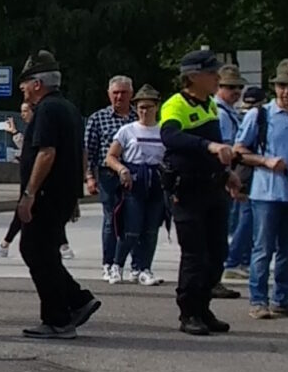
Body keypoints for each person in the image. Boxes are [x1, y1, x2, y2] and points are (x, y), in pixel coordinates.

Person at [160, 49, 252, 335]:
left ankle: (203, 307)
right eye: (212, 73)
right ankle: (189, 313)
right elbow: (170, 136)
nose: (217, 78)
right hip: (187, 191)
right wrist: (208, 147)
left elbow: (217, 149)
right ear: (193, 77)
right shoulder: (175, 105)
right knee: (195, 254)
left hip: (214, 188)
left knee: (217, 252)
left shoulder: (210, 105)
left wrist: (228, 174)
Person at [11, 50, 98, 339]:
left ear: (37, 83)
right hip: (60, 194)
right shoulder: (68, 108)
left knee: (36, 251)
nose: (21, 88)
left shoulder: (47, 110)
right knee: (45, 253)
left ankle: (59, 318)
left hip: (46, 195)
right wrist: (74, 195)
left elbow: (47, 153)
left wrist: (29, 194)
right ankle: (76, 300)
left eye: (25, 83)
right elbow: (78, 154)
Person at [239, 60, 288, 318]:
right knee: (263, 249)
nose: (287, 92)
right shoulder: (259, 115)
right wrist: (265, 161)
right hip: (266, 194)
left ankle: (283, 298)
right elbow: (239, 151)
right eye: (282, 85)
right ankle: (258, 300)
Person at [102, 86, 170, 289]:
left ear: (156, 107)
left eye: (148, 107)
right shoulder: (127, 130)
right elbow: (110, 157)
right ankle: (117, 265)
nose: (144, 111)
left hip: (155, 183)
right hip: (133, 182)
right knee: (131, 228)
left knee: (150, 230)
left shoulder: (163, 131)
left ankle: (144, 268)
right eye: (140, 107)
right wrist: (122, 170)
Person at [83, 76, 137, 283]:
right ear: (109, 94)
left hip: (134, 174)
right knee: (110, 220)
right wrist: (89, 177)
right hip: (107, 175)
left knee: (134, 221)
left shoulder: (137, 117)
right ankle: (108, 263)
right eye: (115, 93)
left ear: (130, 94)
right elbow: (90, 150)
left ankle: (134, 265)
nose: (119, 97)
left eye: (123, 93)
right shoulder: (98, 118)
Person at [216, 65, 254, 282]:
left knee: (241, 219)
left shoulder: (229, 111)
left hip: (234, 172)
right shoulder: (221, 114)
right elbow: (223, 148)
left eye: (238, 87)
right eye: (230, 87)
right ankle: (233, 261)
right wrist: (228, 176)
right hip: (228, 174)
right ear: (219, 87)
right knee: (242, 219)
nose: (236, 91)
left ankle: (237, 260)